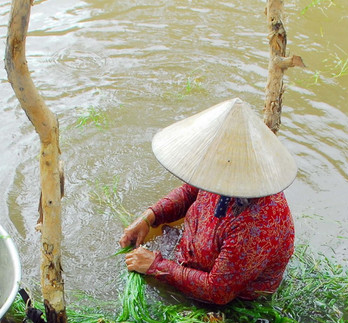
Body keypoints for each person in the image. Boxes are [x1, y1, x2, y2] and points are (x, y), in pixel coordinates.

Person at [119, 97, 298, 306]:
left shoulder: (256, 224)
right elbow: (190, 192)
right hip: (190, 257)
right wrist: (150, 218)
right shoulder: (222, 173)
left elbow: (217, 291)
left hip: (229, 301)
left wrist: (156, 266)